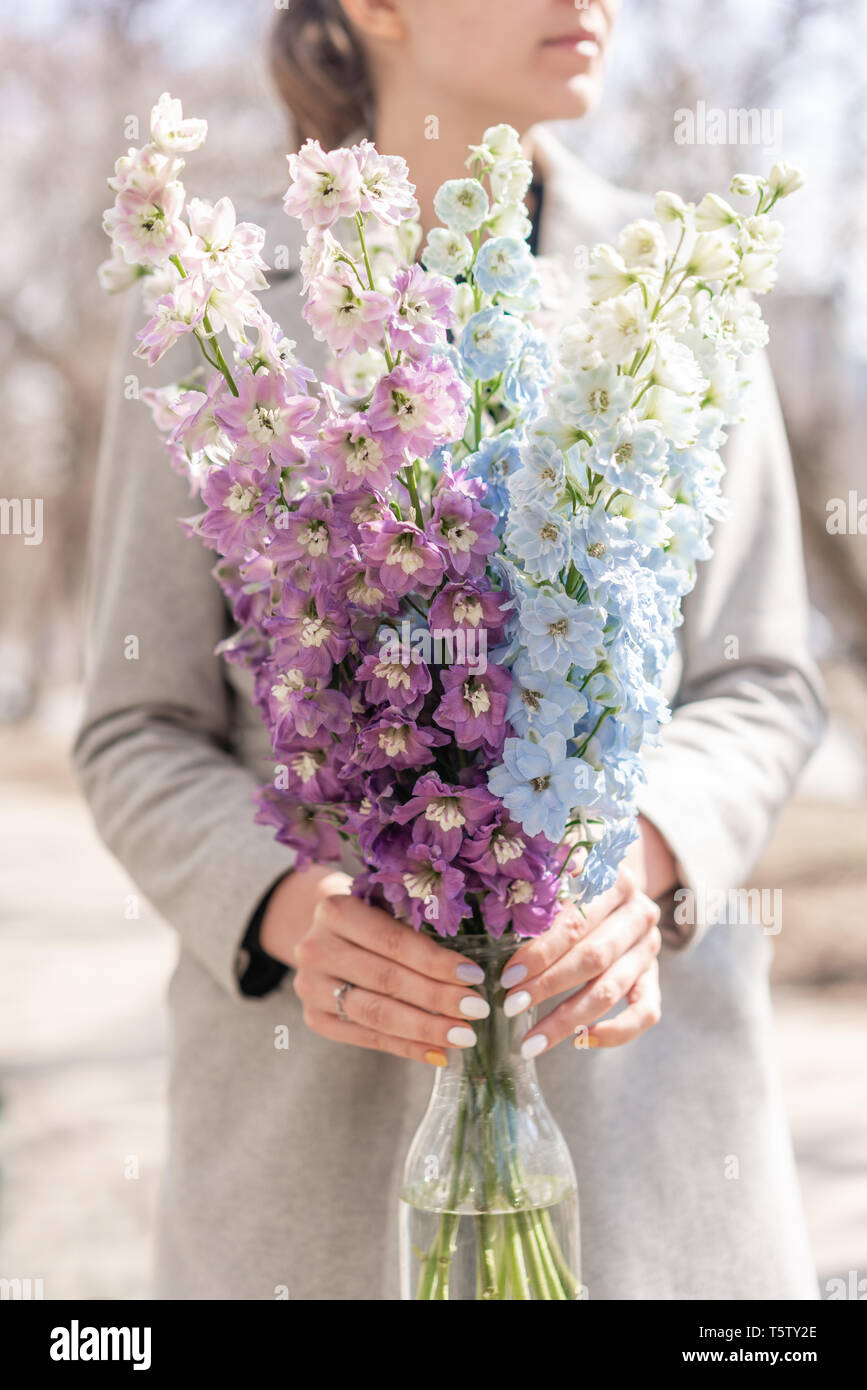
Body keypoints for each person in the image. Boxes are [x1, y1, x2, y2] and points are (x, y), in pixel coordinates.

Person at [75, 0, 824, 1299]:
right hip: (313, 1166)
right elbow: (133, 723)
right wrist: (278, 906)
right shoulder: (220, 310)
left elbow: (761, 677)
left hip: (648, 1143)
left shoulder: (681, 284)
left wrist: (642, 849)